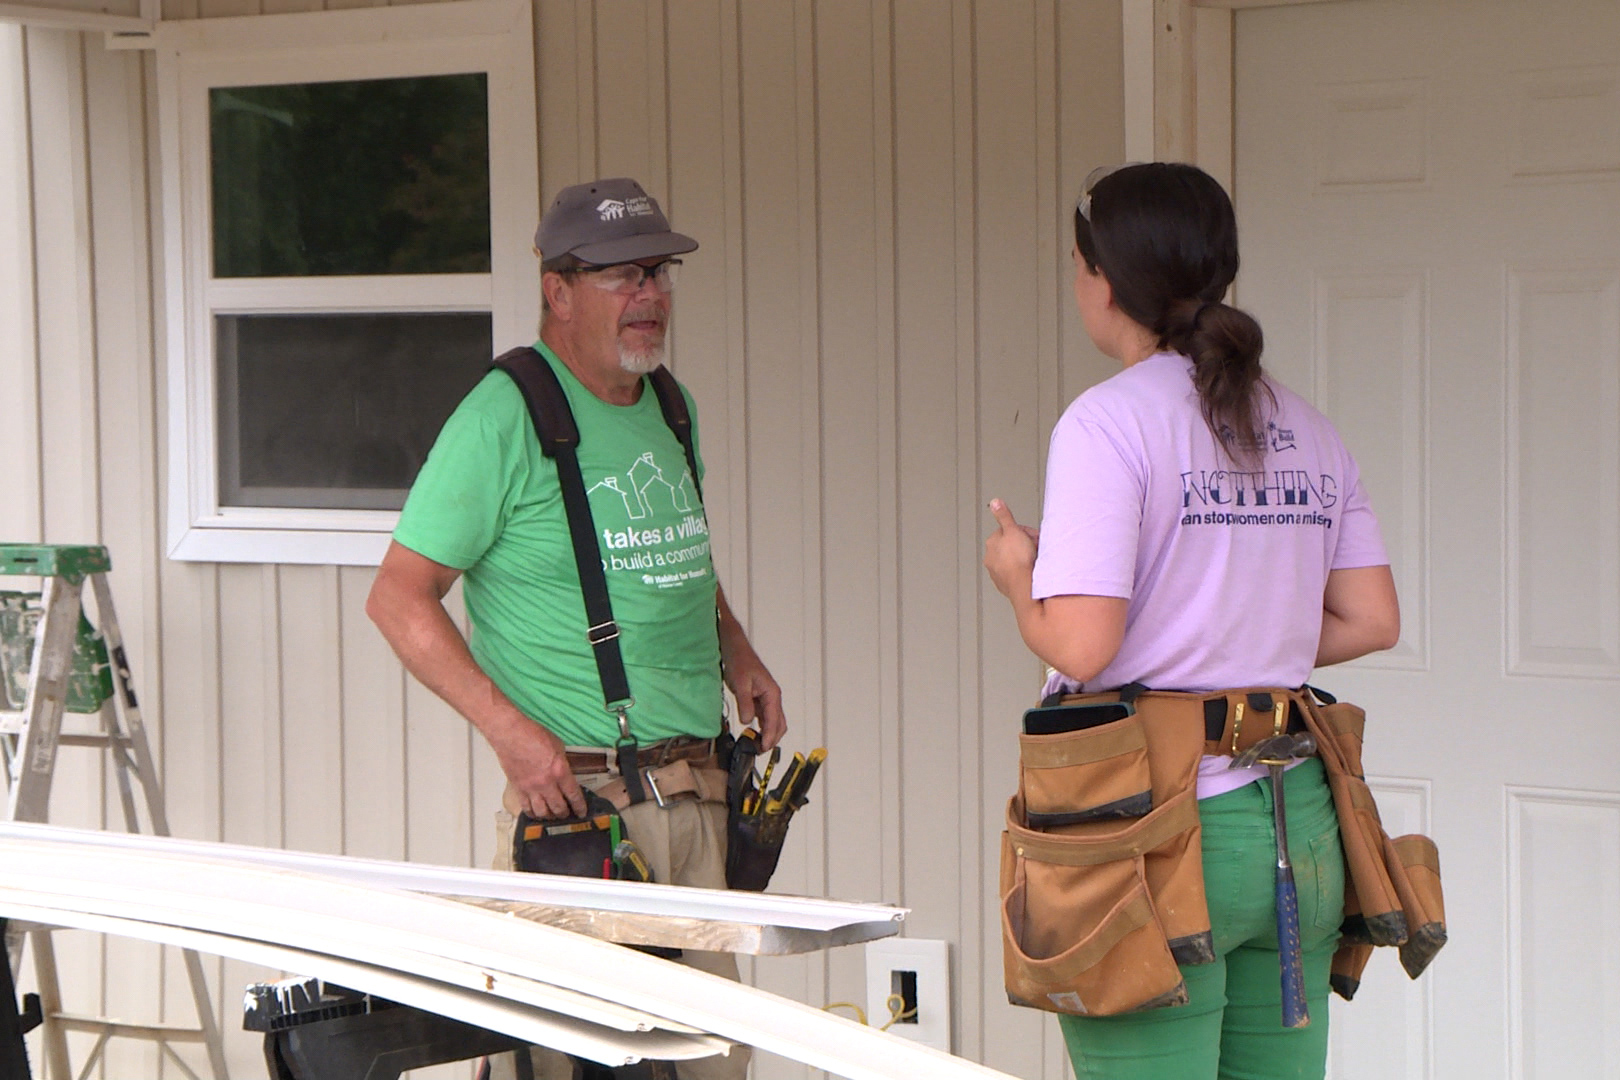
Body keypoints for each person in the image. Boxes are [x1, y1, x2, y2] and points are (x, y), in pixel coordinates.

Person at [983, 162, 1400, 1080]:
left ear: (1104, 280)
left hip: (1154, 830)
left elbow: (1083, 645)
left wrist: (1020, 578)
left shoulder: (1108, 424)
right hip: (1297, 825)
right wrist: (1247, 636)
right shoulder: (1307, 425)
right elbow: (1372, 618)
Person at [367, 176, 785, 1080]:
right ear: (556, 289)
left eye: (659, 273)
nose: (651, 297)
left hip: (700, 804)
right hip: (581, 825)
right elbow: (398, 599)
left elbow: (675, 559)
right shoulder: (502, 417)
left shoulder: (671, 407)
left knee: (714, 1068)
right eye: (621, 277)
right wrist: (512, 734)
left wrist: (738, 650)